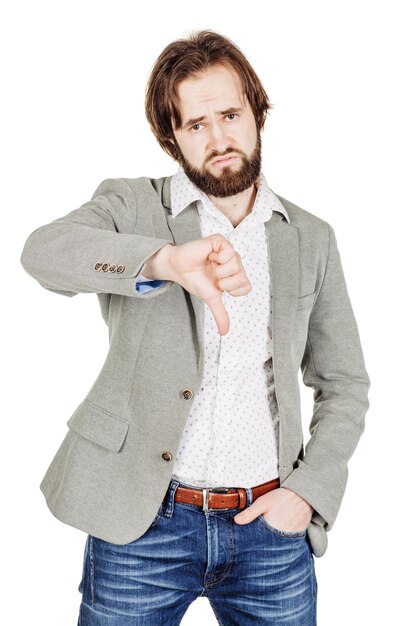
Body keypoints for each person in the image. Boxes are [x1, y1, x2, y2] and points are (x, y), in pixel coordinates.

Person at [20, 29, 370, 626]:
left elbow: (345, 383)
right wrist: (161, 261)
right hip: (142, 523)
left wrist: (309, 492)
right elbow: (44, 253)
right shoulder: (134, 206)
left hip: (269, 530)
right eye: (195, 125)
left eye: (230, 115)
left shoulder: (311, 237)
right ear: (172, 138)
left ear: (257, 112)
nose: (218, 139)